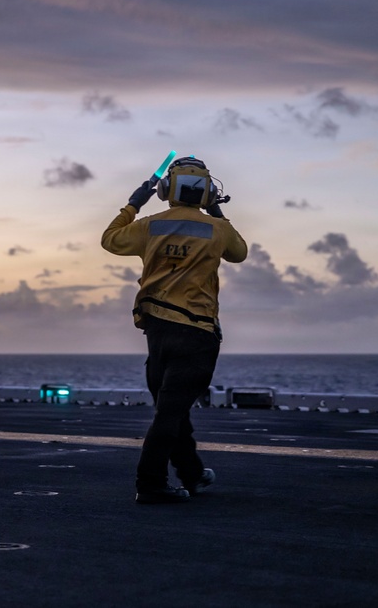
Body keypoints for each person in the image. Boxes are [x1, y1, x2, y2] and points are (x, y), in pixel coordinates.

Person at [101, 156, 248, 504]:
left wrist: (134, 203)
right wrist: (217, 213)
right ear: (209, 193)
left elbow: (110, 240)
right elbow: (239, 254)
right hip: (196, 333)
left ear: (166, 190)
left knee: (172, 409)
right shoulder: (218, 230)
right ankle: (150, 483)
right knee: (171, 412)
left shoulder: (150, 225)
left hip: (157, 330)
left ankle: (192, 474)